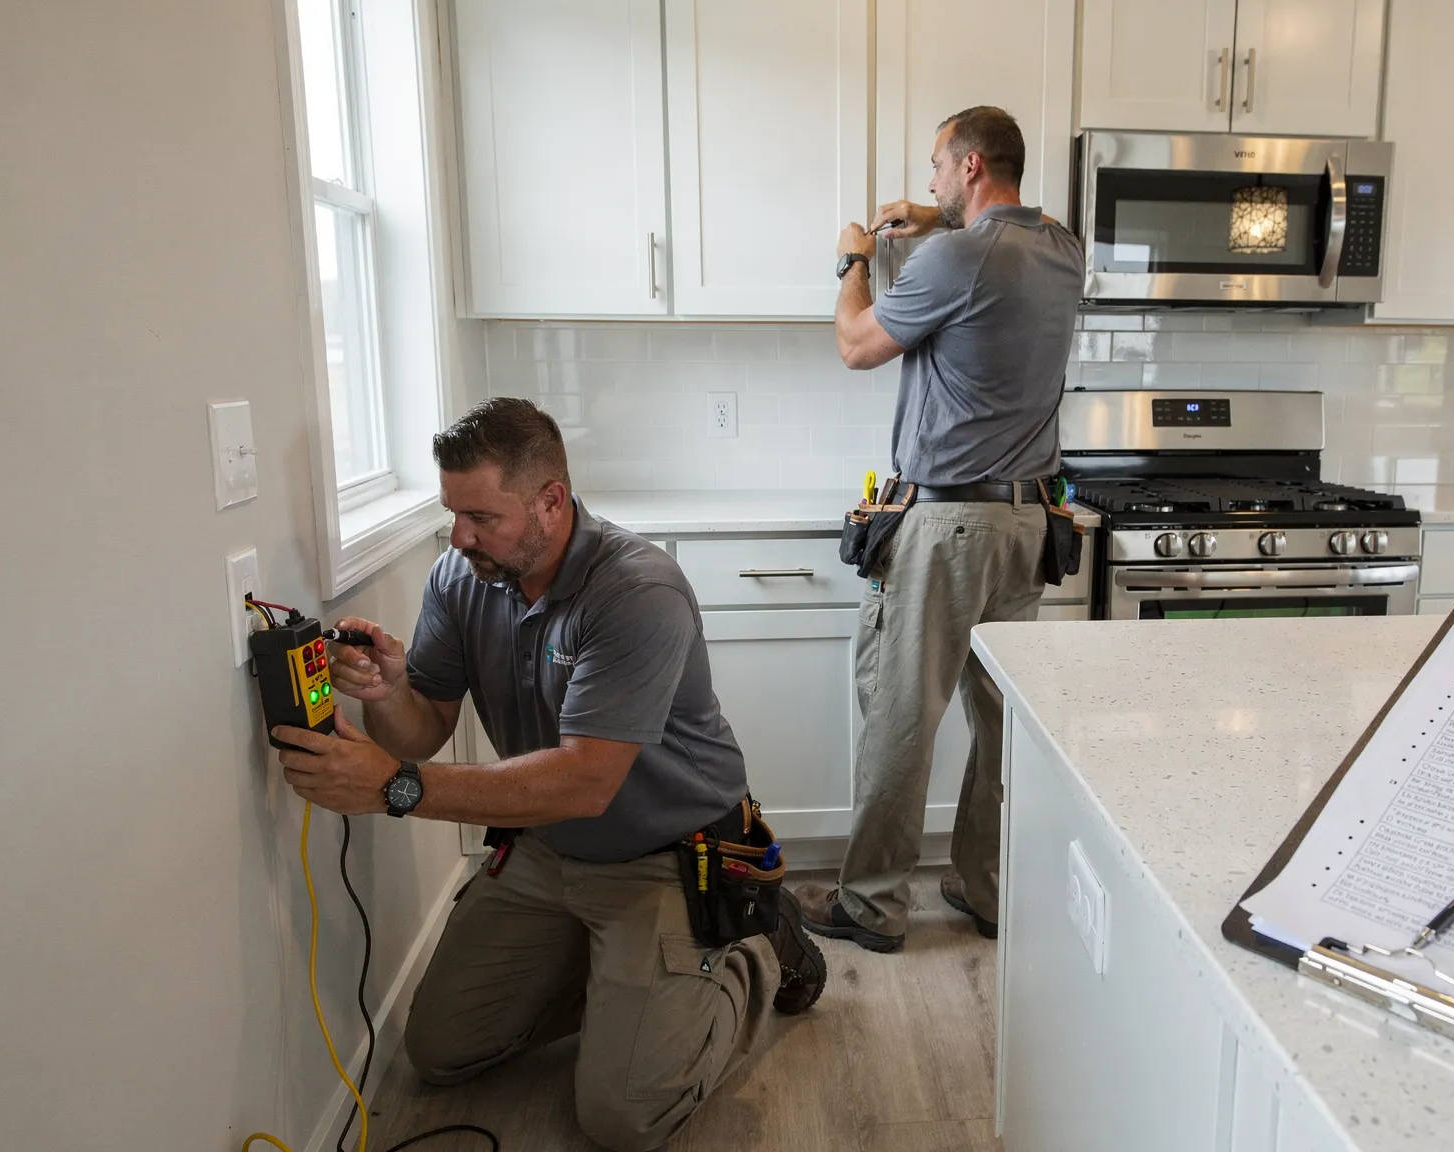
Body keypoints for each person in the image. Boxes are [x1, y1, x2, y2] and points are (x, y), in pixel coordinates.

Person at [271, 397, 825, 1152]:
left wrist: (392, 787)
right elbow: (424, 728)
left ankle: (757, 942)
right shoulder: (459, 577)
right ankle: (626, 978)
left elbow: (584, 781)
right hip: (548, 852)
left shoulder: (636, 591)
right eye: (450, 513)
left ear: (551, 501)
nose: (459, 535)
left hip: (669, 857)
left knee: (623, 1119)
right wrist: (390, 694)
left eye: (480, 518)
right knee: (439, 1052)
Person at [798, 106, 1081, 952]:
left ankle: (873, 905)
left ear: (969, 167)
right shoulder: (1063, 252)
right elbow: (1012, 220)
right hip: (1030, 522)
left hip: (949, 525)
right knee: (999, 724)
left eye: (934, 170)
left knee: (898, 712)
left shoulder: (961, 258)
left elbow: (855, 344)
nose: (924, 186)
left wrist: (854, 256)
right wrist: (934, 218)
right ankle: (989, 890)